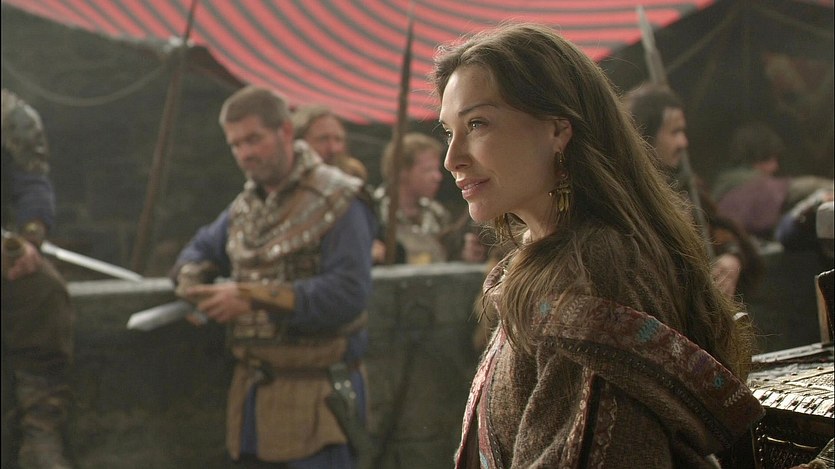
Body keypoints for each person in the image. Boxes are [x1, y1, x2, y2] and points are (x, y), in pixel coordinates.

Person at [431, 23, 764, 467]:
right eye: (448, 131)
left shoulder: (595, 274)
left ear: (558, 130)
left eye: (477, 124)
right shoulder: (549, 260)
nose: (452, 159)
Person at [169, 85, 376, 468]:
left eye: (254, 139)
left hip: (318, 398)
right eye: (236, 145)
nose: (245, 153)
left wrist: (250, 297)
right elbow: (198, 250)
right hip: (253, 399)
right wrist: (194, 283)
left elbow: (348, 294)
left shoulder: (340, 199)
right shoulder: (246, 208)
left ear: (285, 131)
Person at [626, 84, 763, 298]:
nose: (683, 142)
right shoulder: (627, 198)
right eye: (675, 132)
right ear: (646, 135)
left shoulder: (686, 188)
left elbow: (720, 231)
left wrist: (732, 257)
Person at [1, 88, 75, 469]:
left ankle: (40, 427)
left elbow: (31, 182)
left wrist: (27, 241)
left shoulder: (11, 117)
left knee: (42, 289)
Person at [372, 132, 486, 264]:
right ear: (402, 171)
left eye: (437, 169)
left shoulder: (436, 213)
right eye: (428, 170)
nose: (437, 177)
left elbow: (447, 260)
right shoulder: (374, 211)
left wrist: (465, 257)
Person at [713, 121, 833, 240]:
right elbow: (801, 187)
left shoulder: (724, 185)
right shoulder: (755, 186)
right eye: (772, 159)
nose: (776, 167)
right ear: (759, 155)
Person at [291, 104, 368, 182]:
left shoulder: (354, 180)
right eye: (323, 139)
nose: (333, 149)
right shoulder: (287, 185)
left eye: (338, 139)